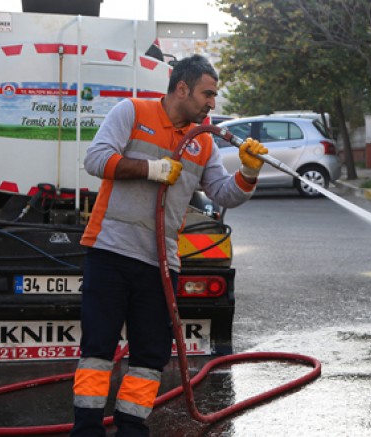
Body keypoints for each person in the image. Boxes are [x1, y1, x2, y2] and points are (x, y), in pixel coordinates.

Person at [70, 54, 267, 436]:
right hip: (110, 253)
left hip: (160, 264)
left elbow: (224, 195)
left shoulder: (203, 142)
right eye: (207, 94)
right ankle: (87, 430)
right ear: (182, 88)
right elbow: (95, 159)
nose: (212, 104)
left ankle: (131, 429)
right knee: (98, 351)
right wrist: (151, 168)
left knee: (149, 357)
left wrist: (248, 172)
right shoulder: (133, 112)